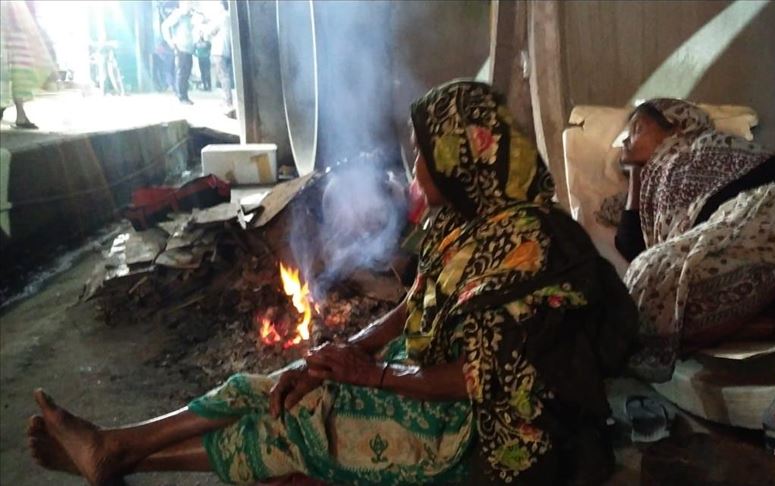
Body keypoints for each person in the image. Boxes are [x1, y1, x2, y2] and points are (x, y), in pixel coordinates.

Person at [27, 81, 638, 485]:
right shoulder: (464, 219)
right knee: (272, 383)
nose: (415, 167)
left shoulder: (535, 247)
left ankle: (125, 457)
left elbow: (483, 377)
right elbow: (415, 305)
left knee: (300, 419)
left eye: (424, 153)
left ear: (461, 157)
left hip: (488, 432)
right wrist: (350, 349)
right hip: (423, 372)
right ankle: (119, 447)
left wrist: (374, 377)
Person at [615, 98, 775, 382]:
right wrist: (636, 174)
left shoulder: (712, 145)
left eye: (637, 129)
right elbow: (632, 247)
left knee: (651, 297)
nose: (627, 141)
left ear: (676, 126)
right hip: (762, 258)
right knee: (649, 294)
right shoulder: (653, 190)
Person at [0, 0, 55, 129]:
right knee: (17, 68)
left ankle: (19, 114)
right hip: (14, 26)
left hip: (13, 27)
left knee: (16, 69)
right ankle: (20, 114)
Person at [161, 1, 199, 105]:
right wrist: (170, 41)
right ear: (183, 4)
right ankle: (182, 97)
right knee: (182, 73)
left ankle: (185, 96)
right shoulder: (178, 14)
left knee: (187, 73)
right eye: (188, 3)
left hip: (189, 48)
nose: (190, 5)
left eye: (191, 3)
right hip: (181, 47)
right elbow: (165, 26)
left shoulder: (190, 16)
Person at [209, 0, 235, 118]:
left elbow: (210, 31)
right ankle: (226, 100)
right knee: (225, 76)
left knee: (223, 77)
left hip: (219, 50)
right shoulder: (230, 17)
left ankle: (228, 103)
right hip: (228, 50)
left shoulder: (221, 17)